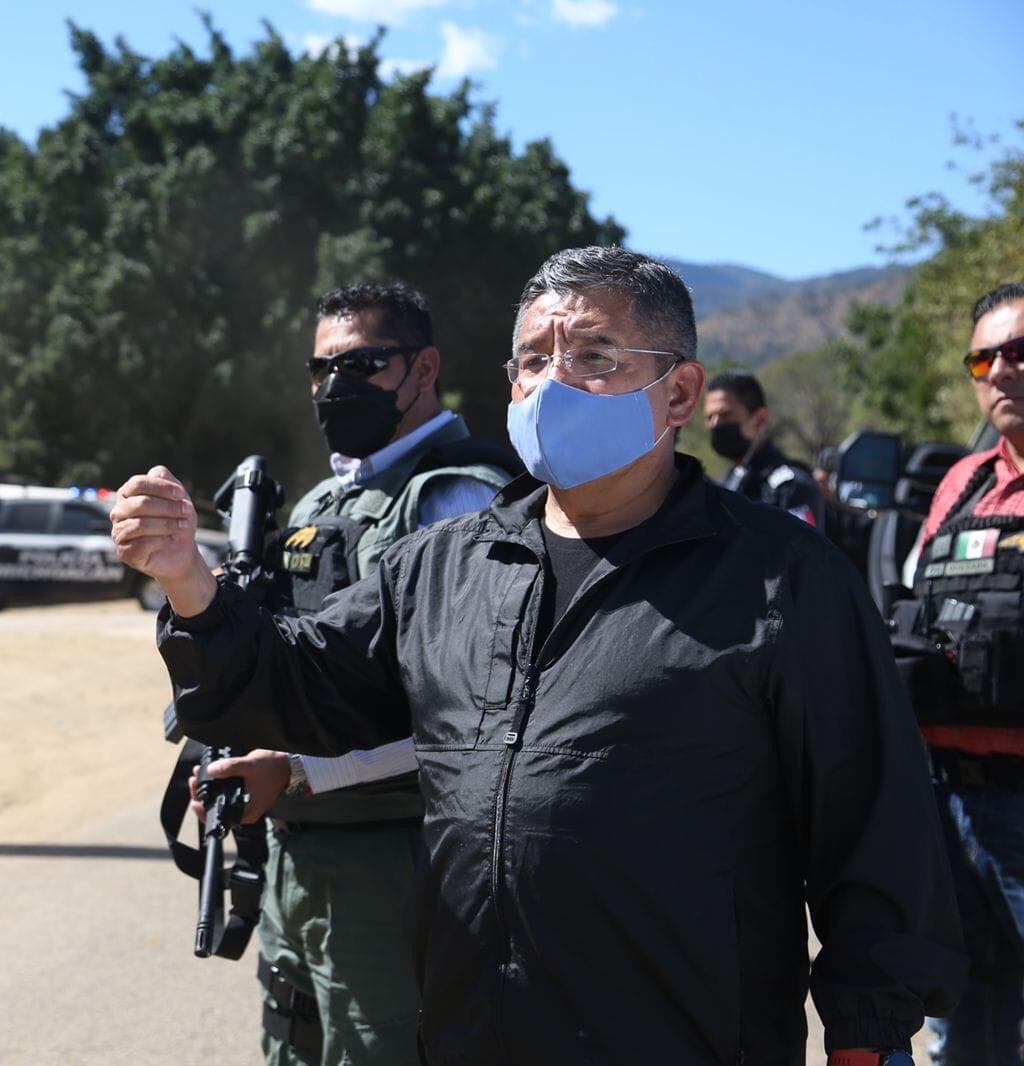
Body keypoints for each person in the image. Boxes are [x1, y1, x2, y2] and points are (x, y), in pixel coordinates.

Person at [116, 247, 963, 1065]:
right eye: (532, 358)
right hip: (471, 1033)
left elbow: (872, 829)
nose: (554, 381)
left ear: (680, 395)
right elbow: (294, 684)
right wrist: (190, 582)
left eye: (594, 354)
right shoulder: (441, 566)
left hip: (683, 1038)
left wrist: (870, 1036)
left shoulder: (782, 578)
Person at [194, 283, 514, 1065]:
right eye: (322, 368)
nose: (335, 386)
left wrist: (301, 771)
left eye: (363, 365)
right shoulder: (324, 501)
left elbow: (474, 721)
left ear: (423, 368)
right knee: (295, 1043)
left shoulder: (458, 498)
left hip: (399, 860)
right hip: (299, 856)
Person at [900, 281, 1024, 1063]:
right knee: (962, 1031)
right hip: (948, 804)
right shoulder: (962, 482)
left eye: (1021, 353)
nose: (1002, 371)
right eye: (985, 357)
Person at [703, 370, 827, 530]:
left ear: (760, 420)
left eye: (725, 415)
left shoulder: (790, 487)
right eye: (709, 417)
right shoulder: (729, 480)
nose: (715, 424)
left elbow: (802, 552)